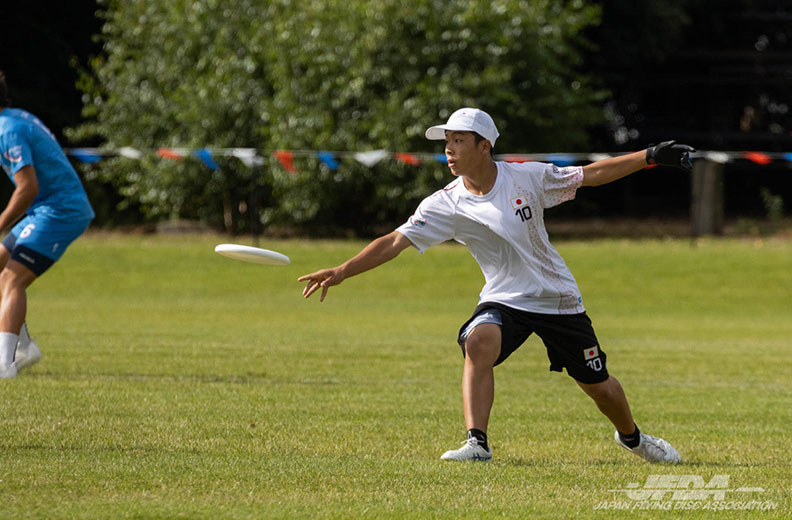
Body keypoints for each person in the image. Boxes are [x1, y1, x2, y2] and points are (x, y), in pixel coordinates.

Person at [299, 107, 693, 463]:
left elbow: (590, 175)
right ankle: (477, 443)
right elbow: (395, 241)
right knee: (478, 342)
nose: (449, 150)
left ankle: (633, 438)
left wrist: (650, 156)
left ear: (484, 146)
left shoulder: (526, 177)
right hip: (505, 298)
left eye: (458, 141)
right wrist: (342, 270)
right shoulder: (445, 203)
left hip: (557, 299)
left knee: (600, 388)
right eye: (447, 142)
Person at [0, 71, 95, 378]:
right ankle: (24, 346)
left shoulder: (7, 130)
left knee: (12, 278)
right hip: (46, 209)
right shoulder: (14, 117)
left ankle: (4, 364)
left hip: (60, 210)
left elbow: (28, 188)